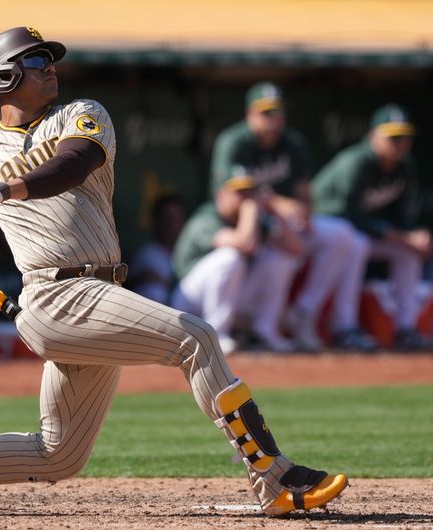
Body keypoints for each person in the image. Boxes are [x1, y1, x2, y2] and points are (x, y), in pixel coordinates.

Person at [0, 27, 348, 518]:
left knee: (59, 455)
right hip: (53, 296)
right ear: (2, 78)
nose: (51, 70)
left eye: (51, 61)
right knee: (196, 338)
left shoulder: (81, 114)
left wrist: (4, 191)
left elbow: (73, 163)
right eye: (37, 63)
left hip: (101, 290)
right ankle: (275, 478)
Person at [210, 82, 376, 352]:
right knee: (281, 256)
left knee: (348, 238)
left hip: (284, 224)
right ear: (250, 114)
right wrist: (277, 204)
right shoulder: (234, 142)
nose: (272, 119)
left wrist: (305, 213)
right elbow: (232, 198)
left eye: (277, 112)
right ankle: (252, 327)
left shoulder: (293, 143)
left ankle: (306, 314)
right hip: (248, 225)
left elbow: (305, 193)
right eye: (265, 112)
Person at [312, 103, 433, 351]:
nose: (399, 144)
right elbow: (352, 215)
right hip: (325, 224)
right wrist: (401, 235)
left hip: (365, 230)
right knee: (357, 243)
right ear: (373, 136)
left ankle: (406, 328)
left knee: (407, 251)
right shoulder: (356, 161)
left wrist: (413, 236)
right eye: (392, 137)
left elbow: (402, 216)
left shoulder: (405, 167)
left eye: (404, 137)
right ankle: (344, 327)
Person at [171, 170, 305, 355]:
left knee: (280, 260)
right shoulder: (206, 218)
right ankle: (216, 334)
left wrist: (274, 209)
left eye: (249, 192)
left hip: (230, 299)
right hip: (188, 303)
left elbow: (297, 249)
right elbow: (244, 244)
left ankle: (263, 331)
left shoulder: (253, 220)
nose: (245, 198)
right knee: (231, 256)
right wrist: (250, 210)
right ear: (221, 195)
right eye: (239, 192)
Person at [127, 192, 186, 306]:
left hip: (187, 313)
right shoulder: (146, 253)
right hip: (155, 315)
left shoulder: (188, 252)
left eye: (176, 219)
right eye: (167, 218)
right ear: (157, 221)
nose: (171, 224)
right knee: (154, 291)